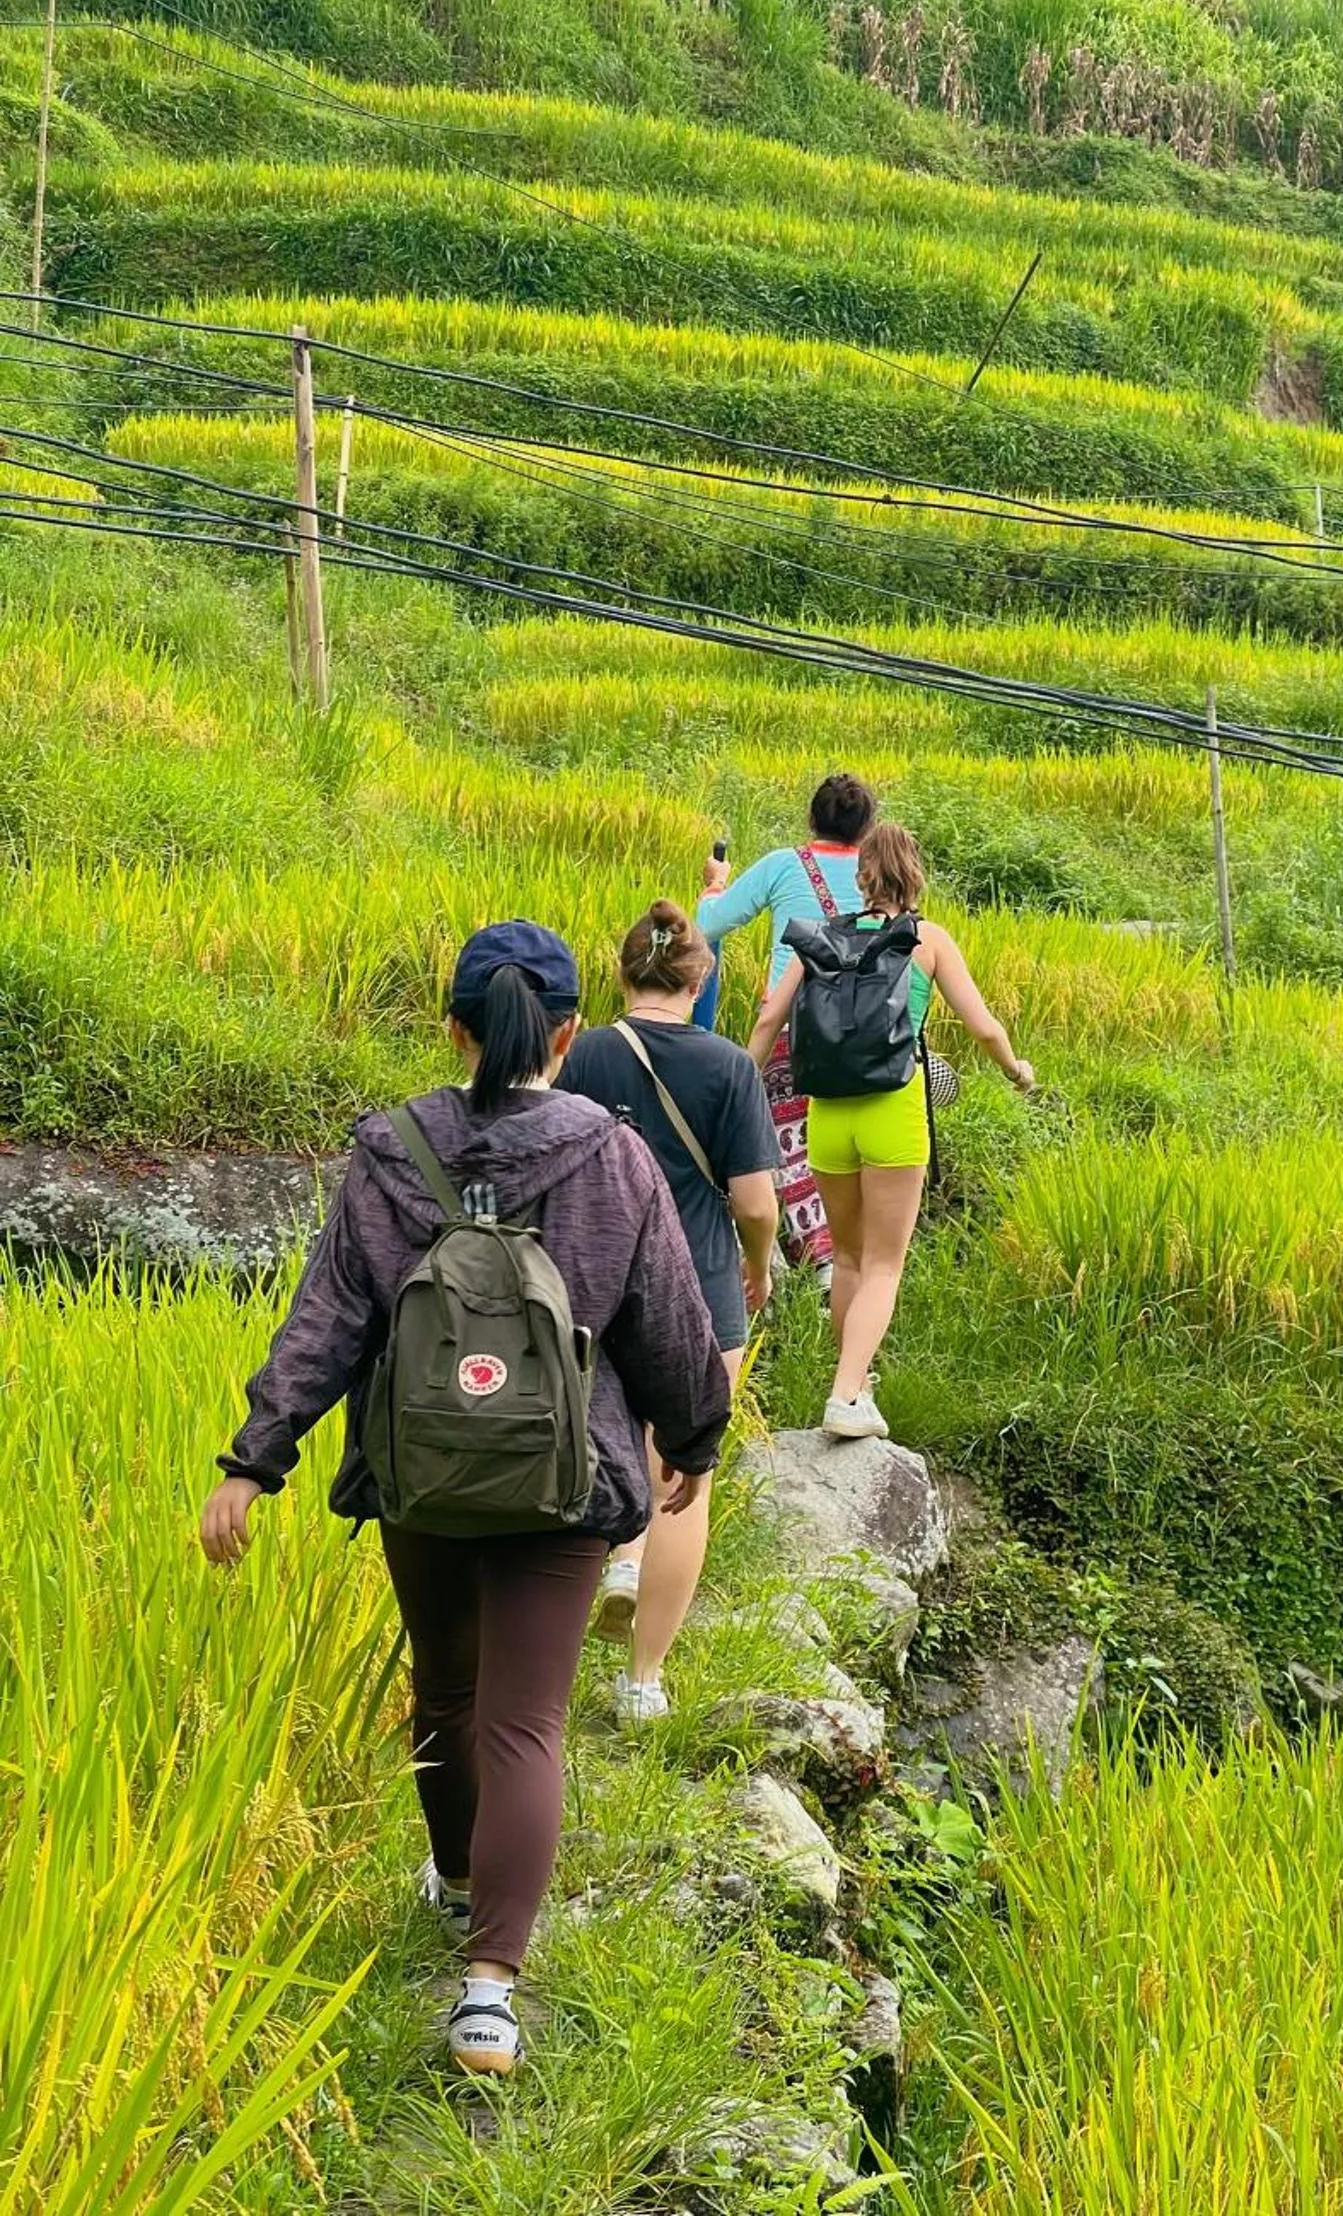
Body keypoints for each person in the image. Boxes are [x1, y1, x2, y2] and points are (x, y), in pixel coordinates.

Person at [198, 920, 730, 2080]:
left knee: (445, 1690)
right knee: (526, 1720)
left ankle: (451, 1878)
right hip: (564, 1478)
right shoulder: (611, 1154)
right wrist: (692, 1435)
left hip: (421, 1474)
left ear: (453, 1027)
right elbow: (670, 1319)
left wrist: (253, 1460)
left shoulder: (391, 1151)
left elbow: (328, 1319)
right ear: (569, 1034)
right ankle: (488, 1994)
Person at [556, 900, 779, 1724]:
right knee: (687, 1475)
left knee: (589, 1453)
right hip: (703, 1287)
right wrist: (758, 1266)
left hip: (599, 1283)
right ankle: (643, 1682)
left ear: (621, 974)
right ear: (700, 979)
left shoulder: (583, 1054)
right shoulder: (729, 1068)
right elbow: (755, 1203)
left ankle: (617, 1560)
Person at [748, 823, 1033, 1441]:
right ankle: (846, 1395)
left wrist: (743, 1089)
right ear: (916, 876)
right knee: (884, 1264)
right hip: (893, 1113)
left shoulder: (821, 937)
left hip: (827, 1115)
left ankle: (856, 1384)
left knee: (848, 1258)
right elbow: (984, 1027)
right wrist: (1018, 1072)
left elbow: (770, 1019)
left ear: (862, 877)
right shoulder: (927, 940)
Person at [696, 773, 876, 1281]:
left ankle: (816, 1262)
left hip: (791, 1026)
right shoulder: (877, 873)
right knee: (850, 1142)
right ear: (866, 829)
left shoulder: (784, 865)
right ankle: (852, 1253)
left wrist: (715, 884)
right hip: (865, 1031)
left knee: (792, 1142)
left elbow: (708, 925)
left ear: (811, 819)